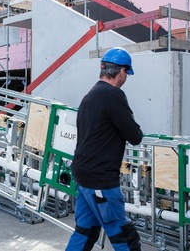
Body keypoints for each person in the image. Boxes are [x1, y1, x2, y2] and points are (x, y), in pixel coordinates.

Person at [66, 47, 143, 251]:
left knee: (86, 230)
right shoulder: (113, 95)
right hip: (100, 179)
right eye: (127, 73)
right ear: (122, 71)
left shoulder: (89, 95)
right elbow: (135, 136)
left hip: (83, 174)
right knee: (123, 235)